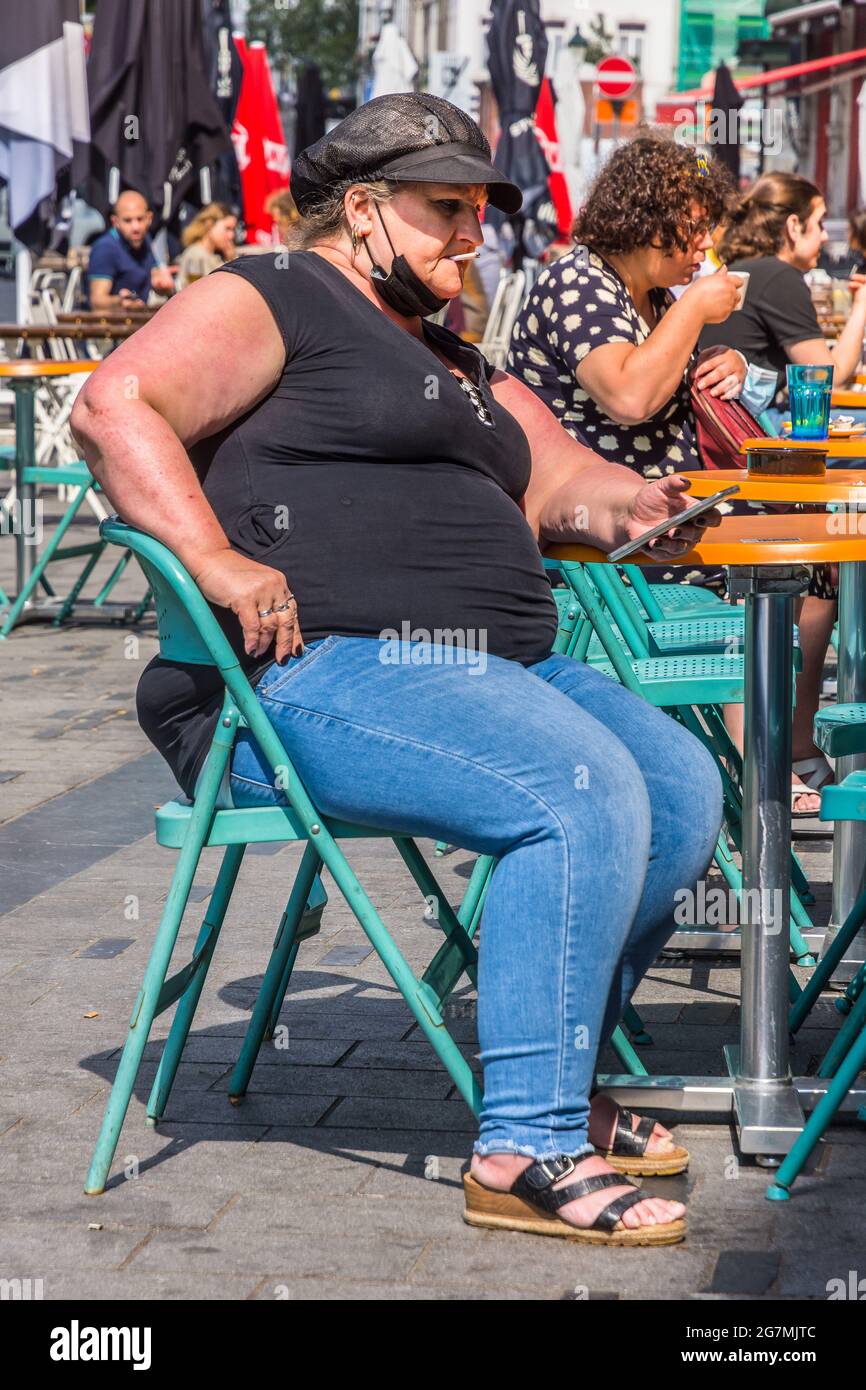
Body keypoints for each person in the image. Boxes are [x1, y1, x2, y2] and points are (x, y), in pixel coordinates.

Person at [72, 92, 722, 1246]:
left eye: (480, 211)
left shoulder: (456, 356)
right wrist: (215, 559)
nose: (471, 234)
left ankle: (557, 1073)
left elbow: (562, 480)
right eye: (444, 210)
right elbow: (114, 403)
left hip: (491, 670)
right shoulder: (275, 293)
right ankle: (523, 1145)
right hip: (300, 681)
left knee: (677, 790)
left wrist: (643, 506)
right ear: (362, 210)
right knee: (580, 790)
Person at [508, 133, 745, 587]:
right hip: (611, 542)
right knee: (782, 566)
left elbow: (658, 377)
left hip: (668, 523)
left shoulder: (655, 296)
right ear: (647, 221)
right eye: (695, 227)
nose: (707, 242)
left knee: (795, 553)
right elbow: (629, 397)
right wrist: (695, 307)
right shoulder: (577, 282)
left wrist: (724, 363)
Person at [705, 172, 866, 814]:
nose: (825, 234)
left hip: (744, 472)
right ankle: (795, 745)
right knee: (825, 566)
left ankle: (796, 744)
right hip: (745, 488)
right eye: (819, 220)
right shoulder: (775, 275)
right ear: (791, 224)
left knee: (828, 559)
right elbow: (828, 375)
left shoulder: (748, 273)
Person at [86, 190, 175, 310]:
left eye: (140, 219)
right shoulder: (105, 248)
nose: (135, 227)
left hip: (136, 320)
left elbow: (154, 276)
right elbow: (97, 302)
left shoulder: (145, 239)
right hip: (112, 324)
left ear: (149, 218)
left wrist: (162, 285)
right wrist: (121, 302)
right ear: (115, 222)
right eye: (128, 220)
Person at [176, 203, 238, 289]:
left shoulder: (215, 255)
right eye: (227, 228)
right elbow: (195, 291)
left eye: (233, 230)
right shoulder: (196, 255)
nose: (231, 235)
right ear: (210, 224)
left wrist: (231, 258)